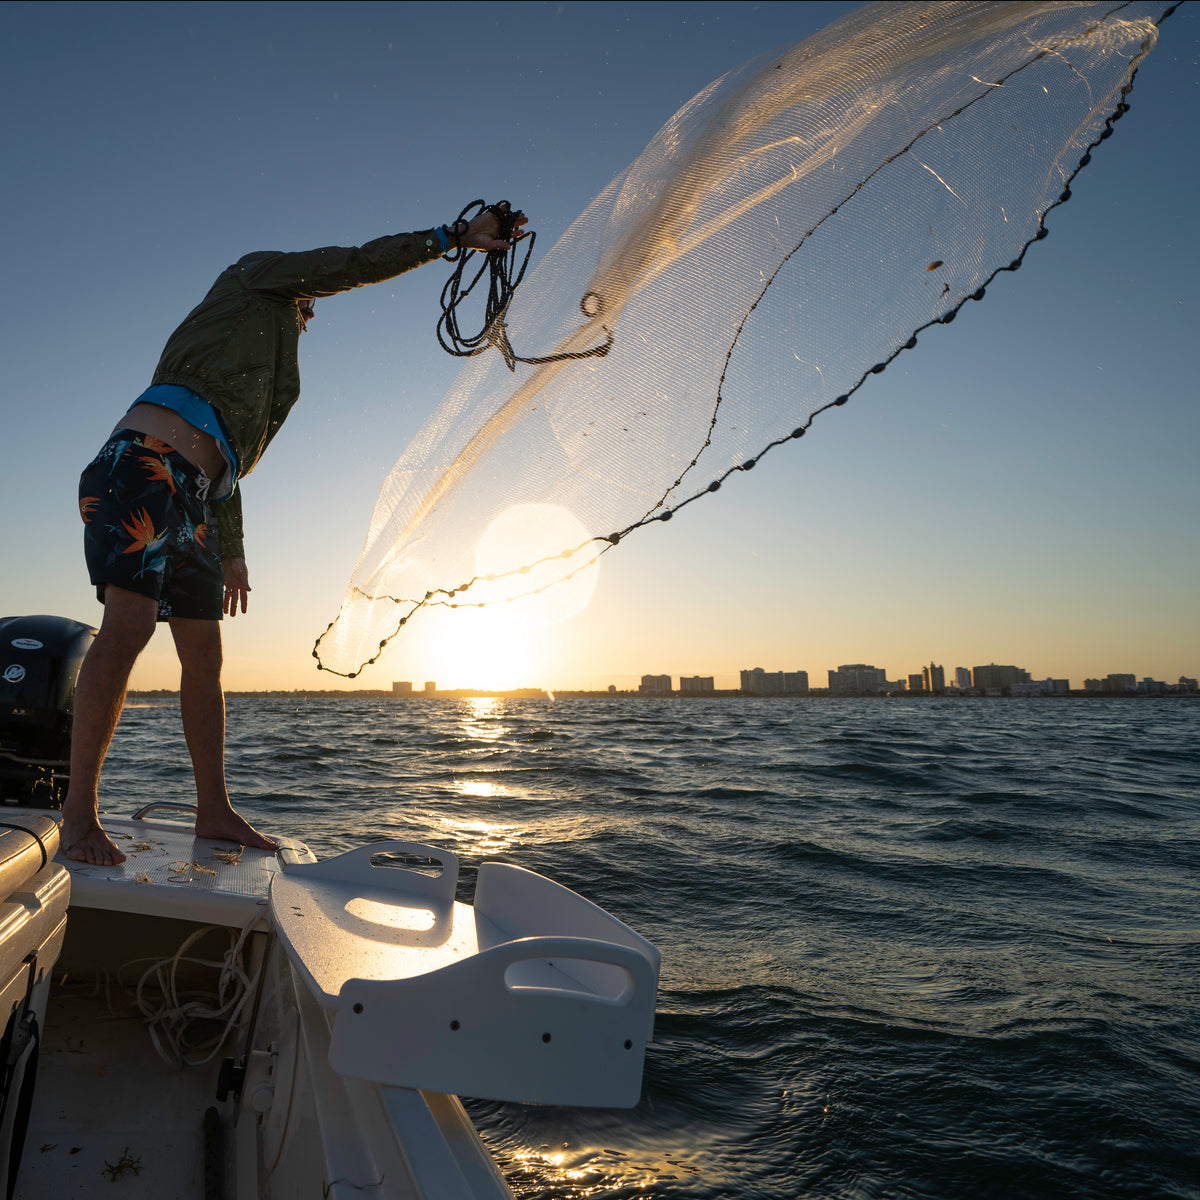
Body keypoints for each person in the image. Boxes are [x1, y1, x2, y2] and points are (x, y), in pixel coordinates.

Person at [62, 207, 524, 866]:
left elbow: (229, 456)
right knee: (128, 628)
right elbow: (352, 262)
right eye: (308, 303)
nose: (310, 315)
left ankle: (213, 813)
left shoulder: (272, 370)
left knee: (205, 658)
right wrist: (451, 238)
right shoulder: (253, 277)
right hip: (141, 463)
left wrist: (232, 550)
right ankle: (79, 817)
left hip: (198, 496)